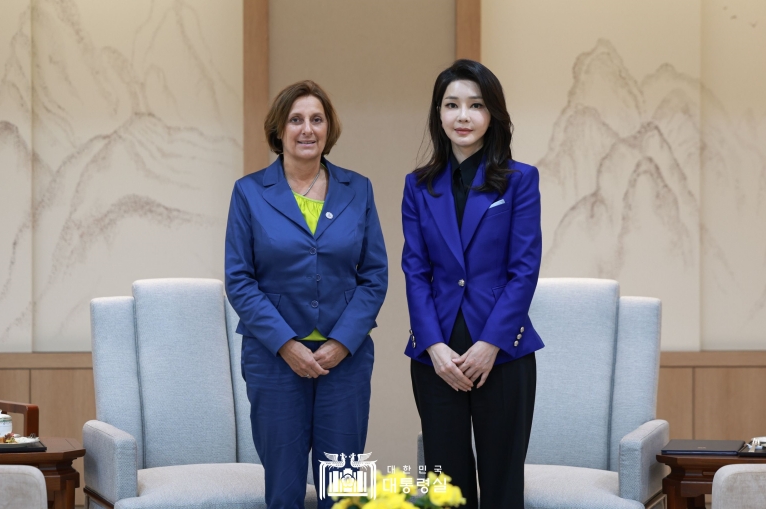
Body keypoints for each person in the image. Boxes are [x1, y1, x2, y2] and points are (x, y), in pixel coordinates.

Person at [225, 80, 388, 509]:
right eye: (295, 119)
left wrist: (341, 343)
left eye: (317, 119)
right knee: (283, 488)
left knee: (345, 489)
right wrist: (286, 344)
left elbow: (374, 275)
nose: (307, 128)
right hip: (273, 360)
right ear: (279, 129)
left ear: (329, 128)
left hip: (346, 361)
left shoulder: (359, 189)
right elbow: (239, 280)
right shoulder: (248, 192)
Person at [402, 60, 544, 509]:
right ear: (438, 115)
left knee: (502, 486)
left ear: (492, 114)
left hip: (502, 355)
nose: (463, 116)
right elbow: (415, 269)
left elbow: (524, 270)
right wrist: (433, 346)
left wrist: (490, 345)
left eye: (475, 105)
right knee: (448, 492)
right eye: (452, 105)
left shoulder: (519, 180)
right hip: (437, 359)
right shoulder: (418, 186)